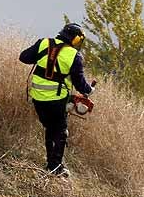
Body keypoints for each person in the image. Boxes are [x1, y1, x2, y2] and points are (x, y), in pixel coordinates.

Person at [18, 22, 95, 177]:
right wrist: (89, 90)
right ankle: (55, 168)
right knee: (60, 131)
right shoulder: (74, 55)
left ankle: (52, 164)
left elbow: (24, 57)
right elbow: (80, 83)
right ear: (74, 39)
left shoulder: (43, 43)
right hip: (57, 99)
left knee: (50, 128)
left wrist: (46, 61)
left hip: (37, 97)